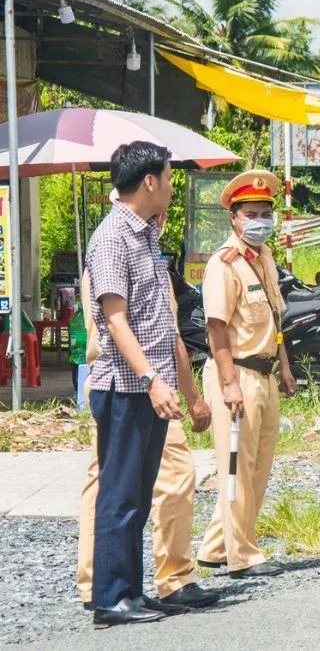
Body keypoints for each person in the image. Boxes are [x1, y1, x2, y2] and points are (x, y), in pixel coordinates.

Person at [85, 142, 204, 627]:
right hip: (124, 386)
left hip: (148, 386)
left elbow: (160, 320)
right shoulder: (113, 236)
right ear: (150, 181)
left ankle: (130, 590)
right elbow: (116, 320)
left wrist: (178, 384)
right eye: (170, 178)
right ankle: (110, 599)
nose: (173, 187)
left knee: (138, 490)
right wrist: (153, 379)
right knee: (119, 493)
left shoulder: (146, 237)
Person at [76, 255, 220, 613]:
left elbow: (170, 337)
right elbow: (147, 335)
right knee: (167, 477)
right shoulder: (121, 259)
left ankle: (100, 583)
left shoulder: (142, 261)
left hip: (137, 384)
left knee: (106, 484)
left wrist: (190, 393)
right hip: (134, 386)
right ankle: (171, 578)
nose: (161, 219)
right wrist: (186, 394)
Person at [196, 170, 297, 579]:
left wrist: (286, 367)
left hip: (266, 372)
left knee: (258, 466)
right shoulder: (225, 264)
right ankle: (243, 556)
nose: (261, 220)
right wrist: (229, 384)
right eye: (252, 213)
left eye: (266, 212)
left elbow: (275, 319)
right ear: (234, 218)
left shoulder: (265, 257)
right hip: (235, 373)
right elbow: (216, 328)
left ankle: (216, 546)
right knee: (236, 466)